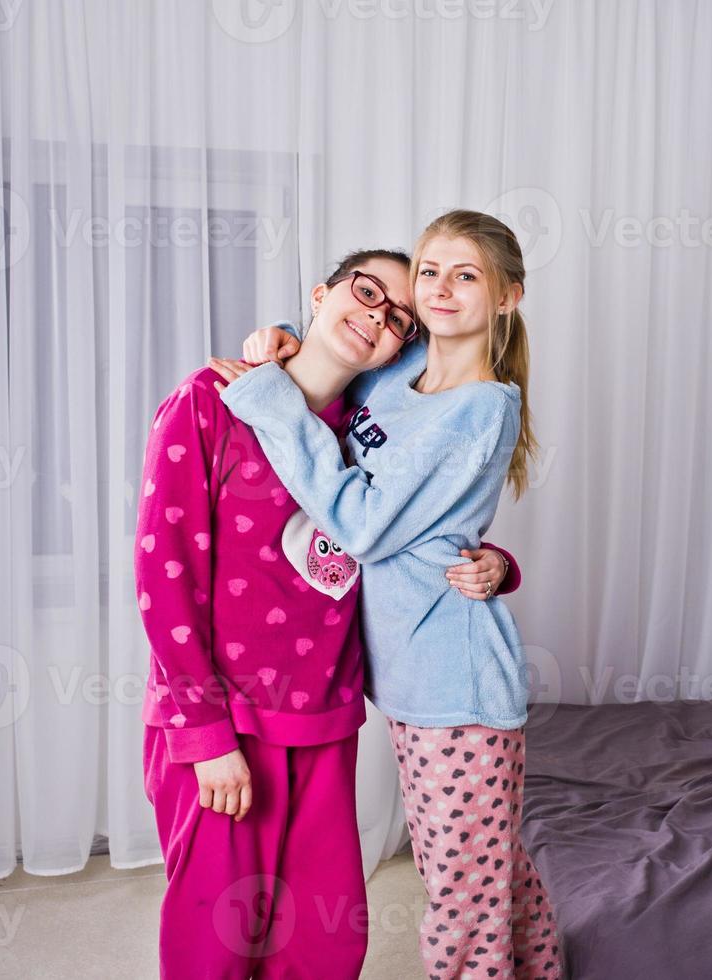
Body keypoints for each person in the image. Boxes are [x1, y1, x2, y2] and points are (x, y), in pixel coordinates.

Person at [135, 247, 518, 978]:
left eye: (398, 317)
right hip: (221, 720)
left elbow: (412, 526)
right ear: (321, 294)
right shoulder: (210, 402)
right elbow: (164, 575)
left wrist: (494, 562)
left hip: (325, 711)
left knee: (320, 939)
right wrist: (203, 732)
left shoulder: (370, 428)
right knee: (214, 938)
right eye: (365, 292)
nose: (376, 315)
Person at [209, 210, 562, 978]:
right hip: (409, 682)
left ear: (506, 297)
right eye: (430, 271)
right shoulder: (405, 374)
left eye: (465, 274)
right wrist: (282, 337)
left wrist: (270, 403)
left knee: (460, 900)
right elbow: (342, 358)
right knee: (488, 866)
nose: (438, 288)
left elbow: (365, 526)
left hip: (454, 686)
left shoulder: (479, 408)